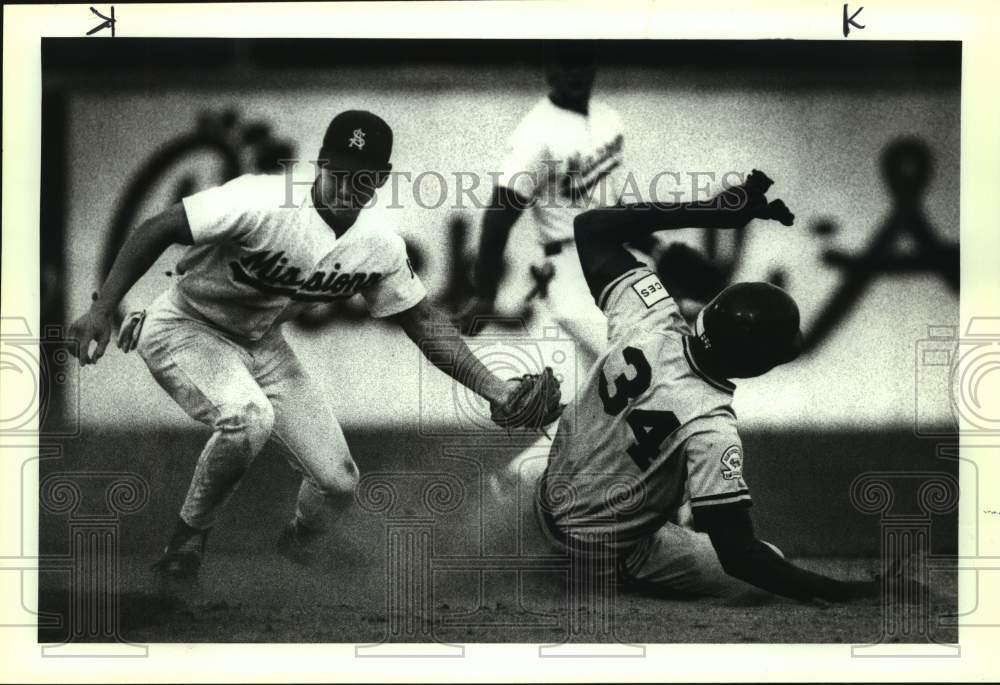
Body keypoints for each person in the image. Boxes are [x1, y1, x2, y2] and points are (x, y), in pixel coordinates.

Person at [68, 110, 523, 586]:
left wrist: (496, 389)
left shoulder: (378, 247)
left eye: (363, 175)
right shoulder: (263, 201)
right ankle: (187, 539)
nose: (348, 185)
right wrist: (102, 309)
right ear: (321, 162)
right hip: (186, 325)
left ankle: (302, 539)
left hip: (261, 343)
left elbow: (424, 323)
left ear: (381, 178)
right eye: (340, 170)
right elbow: (159, 227)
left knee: (339, 483)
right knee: (249, 417)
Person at [496, 170, 883, 602]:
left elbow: (590, 226)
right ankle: (572, 573)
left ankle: (512, 518)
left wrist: (712, 212)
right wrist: (854, 593)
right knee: (767, 561)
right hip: (597, 555)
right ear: (755, 364)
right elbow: (740, 556)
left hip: (542, 503)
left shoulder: (648, 315)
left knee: (650, 477)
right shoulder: (711, 426)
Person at [456, 44, 626, 366]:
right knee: (630, 359)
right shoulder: (536, 135)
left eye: (583, 61)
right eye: (567, 63)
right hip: (570, 265)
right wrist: (485, 293)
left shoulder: (608, 118)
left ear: (594, 65)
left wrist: (656, 248)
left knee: (609, 380)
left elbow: (610, 200)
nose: (576, 72)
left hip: (614, 255)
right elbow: (499, 215)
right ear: (550, 68)